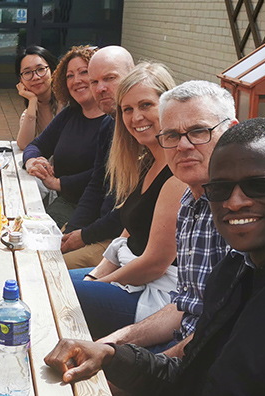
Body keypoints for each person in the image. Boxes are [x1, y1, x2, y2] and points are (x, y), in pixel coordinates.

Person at [45, 117, 265, 395]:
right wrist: (109, 356)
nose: (235, 202)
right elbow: (191, 372)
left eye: (258, 185)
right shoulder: (237, 265)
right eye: (220, 188)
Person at [66, 63, 188, 340]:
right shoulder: (147, 161)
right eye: (128, 109)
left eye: (146, 105)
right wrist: (95, 277)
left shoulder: (178, 175)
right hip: (129, 275)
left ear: (168, 106)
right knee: (50, 281)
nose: (136, 117)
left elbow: (155, 263)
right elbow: (127, 232)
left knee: (60, 294)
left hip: (156, 295)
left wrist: (100, 284)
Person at [59, 46, 139, 268]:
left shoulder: (142, 132)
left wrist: (83, 236)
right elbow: (97, 185)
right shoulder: (108, 124)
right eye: (94, 81)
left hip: (122, 242)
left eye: (110, 78)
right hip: (98, 228)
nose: (101, 88)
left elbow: (128, 212)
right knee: (43, 249)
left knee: (50, 268)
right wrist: (73, 230)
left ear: (132, 75)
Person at [22, 45, 108, 228]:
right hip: (65, 201)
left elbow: (103, 174)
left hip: (94, 210)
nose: (76, 80)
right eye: (69, 75)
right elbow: (36, 145)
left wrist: (59, 183)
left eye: (83, 72)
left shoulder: (112, 120)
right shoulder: (71, 113)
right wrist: (32, 162)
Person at [14, 45, 59, 150]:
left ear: (52, 71)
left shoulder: (66, 104)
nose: (36, 77)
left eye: (41, 69)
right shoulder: (29, 113)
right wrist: (32, 100)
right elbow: (24, 145)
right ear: (21, 80)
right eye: (27, 72)